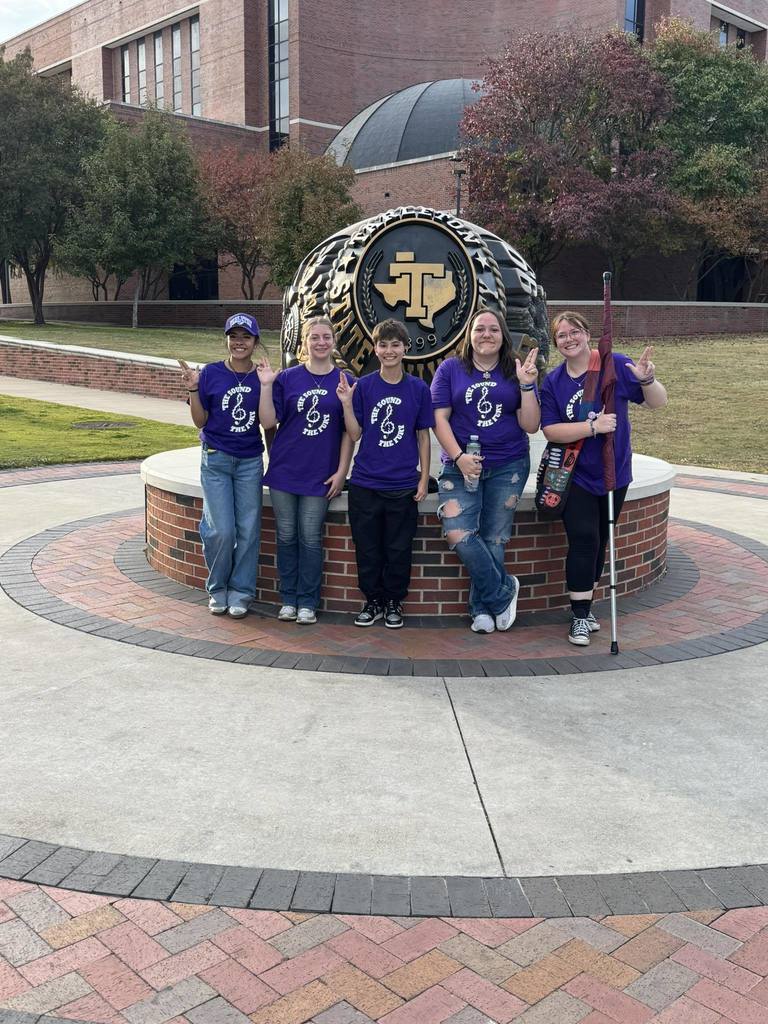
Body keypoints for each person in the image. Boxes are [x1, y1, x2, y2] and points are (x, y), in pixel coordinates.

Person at [540, 311, 668, 646]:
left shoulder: (614, 365)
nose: (569, 340)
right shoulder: (554, 381)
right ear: (556, 343)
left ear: (587, 334)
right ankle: (580, 615)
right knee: (583, 538)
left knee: (599, 541)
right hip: (575, 474)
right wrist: (592, 427)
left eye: (574, 332)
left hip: (614, 473)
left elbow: (658, 403)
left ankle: (587, 603)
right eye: (561, 336)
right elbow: (551, 430)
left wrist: (646, 380)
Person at [431, 307, 541, 633]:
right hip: (459, 465)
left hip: (508, 464)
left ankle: (481, 609)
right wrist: (459, 457)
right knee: (458, 531)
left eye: (493, 329)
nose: (486, 335)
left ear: (503, 336)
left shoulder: (516, 370)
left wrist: (526, 387)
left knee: (495, 537)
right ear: (469, 334)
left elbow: (531, 425)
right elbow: (439, 419)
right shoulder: (451, 369)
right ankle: (504, 591)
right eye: (480, 329)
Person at [337, 318, 434, 629]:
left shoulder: (418, 389)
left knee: (397, 548)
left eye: (395, 344)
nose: (389, 350)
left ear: (405, 348)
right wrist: (347, 406)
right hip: (366, 482)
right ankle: (373, 600)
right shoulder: (363, 387)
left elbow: (423, 436)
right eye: (383, 345)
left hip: (402, 485)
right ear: (375, 349)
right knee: (367, 547)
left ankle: (393, 601)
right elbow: (354, 434)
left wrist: (423, 478)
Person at [258, 317, 354, 624]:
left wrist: (342, 471)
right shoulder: (287, 378)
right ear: (305, 343)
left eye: (326, 337)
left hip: (320, 474)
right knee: (286, 536)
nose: (321, 342)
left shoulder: (346, 380)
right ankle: (288, 598)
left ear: (334, 342)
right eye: (315, 337)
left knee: (310, 538)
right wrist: (265, 386)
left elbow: (349, 433)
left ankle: (308, 603)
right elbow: (269, 422)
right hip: (286, 470)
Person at [179, 313, 269, 618]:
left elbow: (268, 424)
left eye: (246, 337)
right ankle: (217, 588)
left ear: (255, 342)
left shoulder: (262, 377)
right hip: (216, 459)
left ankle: (241, 591)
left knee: (248, 530)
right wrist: (193, 389)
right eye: (234, 336)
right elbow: (200, 421)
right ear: (226, 339)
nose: (239, 342)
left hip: (249, 461)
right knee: (221, 531)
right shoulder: (211, 374)